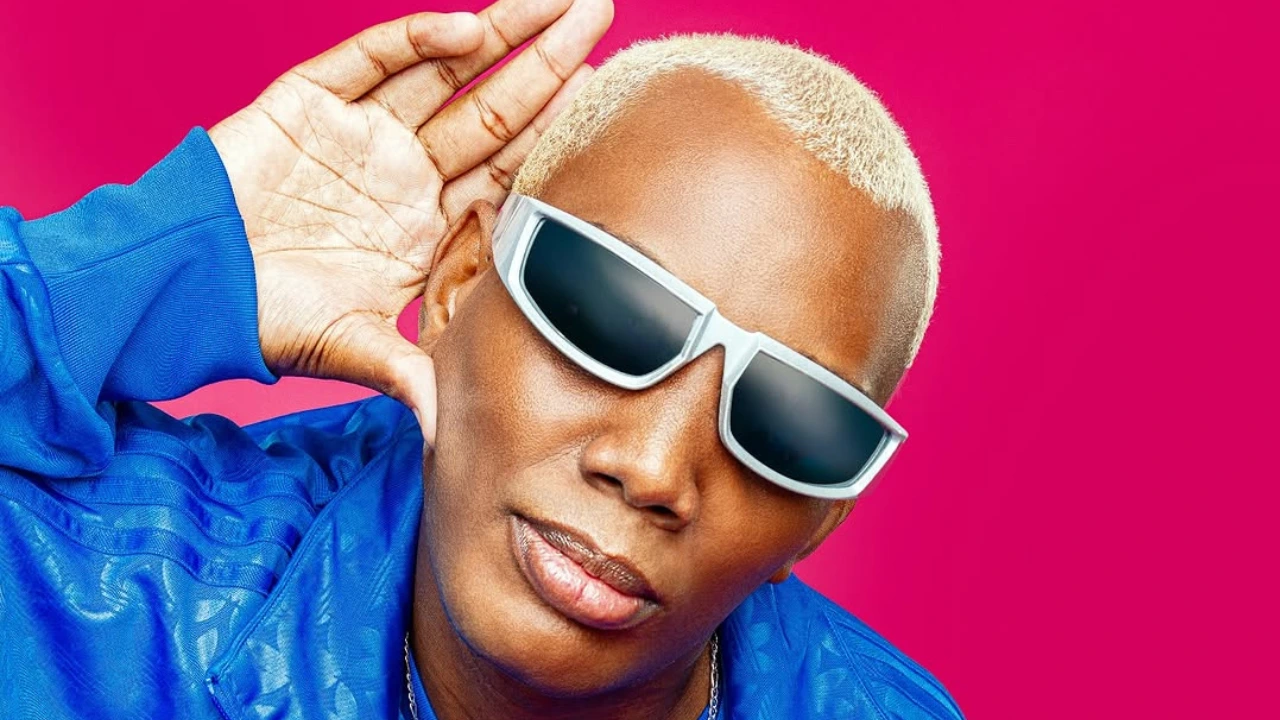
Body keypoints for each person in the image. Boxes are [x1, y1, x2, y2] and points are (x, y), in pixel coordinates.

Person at [0, 0, 962, 717]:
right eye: (608, 314)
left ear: (824, 518)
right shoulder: (105, 588)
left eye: (790, 422)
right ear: (460, 283)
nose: (653, 470)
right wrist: (169, 255)